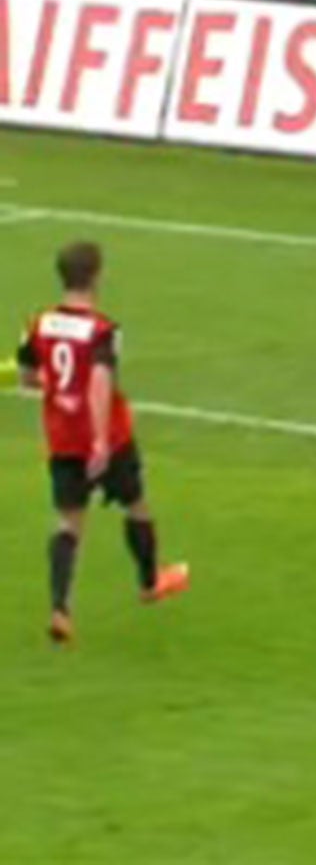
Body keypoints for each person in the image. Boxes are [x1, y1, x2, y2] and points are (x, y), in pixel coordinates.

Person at [17, 242, 190, 644]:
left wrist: (58, 389)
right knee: (136, 504)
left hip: (62, 438)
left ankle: (60, 609)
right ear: (96, 276)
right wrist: (98, 441)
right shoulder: (102, 330)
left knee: (69, 523)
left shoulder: (39, 323)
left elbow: (28, 376)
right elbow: (99, 382)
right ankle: (150, 582)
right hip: (108, 438)